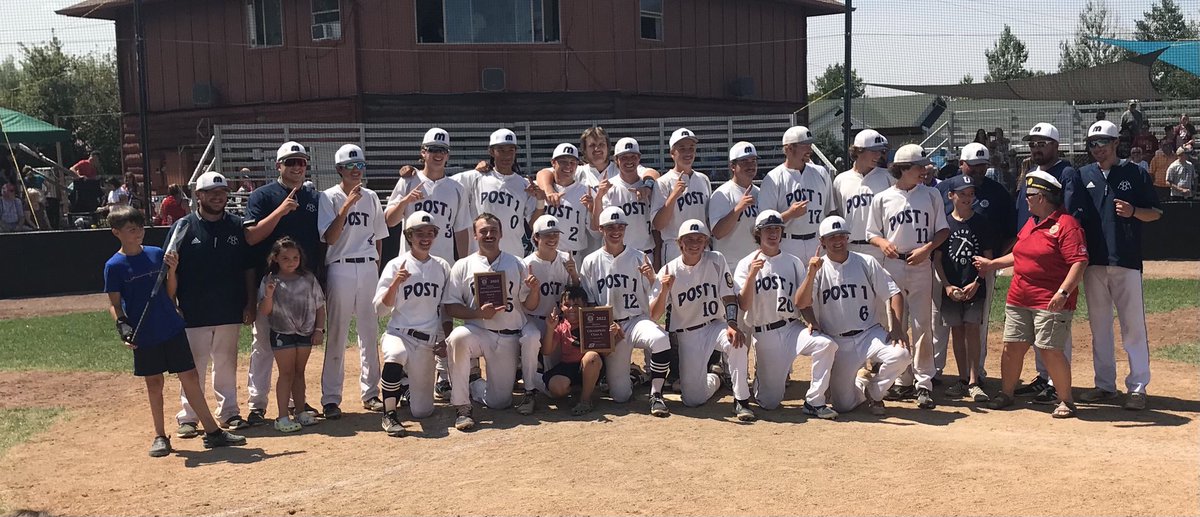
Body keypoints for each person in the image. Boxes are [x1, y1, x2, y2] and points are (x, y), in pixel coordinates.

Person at [103, 205, 246, 456]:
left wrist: (172, 269)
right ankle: (160, 435)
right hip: (145, 333)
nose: (138, 234)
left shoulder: (157, 254)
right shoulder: (114, 266)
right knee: (154, 383)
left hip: (171, 326)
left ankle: (213, 432)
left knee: (190, 378)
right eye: (131, 230)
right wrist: (122, 325)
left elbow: (170, 292)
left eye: (140, 228)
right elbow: (114, 304)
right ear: (116, 232)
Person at [976, 171, 1086, 418]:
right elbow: (1020, 254)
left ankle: (1065, 400)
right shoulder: (1032, 222)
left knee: (1049, 349)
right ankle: (1006, 393)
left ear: (1043, 197)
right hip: (1019, 297)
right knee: (1011, 346)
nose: (1025, 199)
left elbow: (1079, 262)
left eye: (1030, 195)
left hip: (1050, 300)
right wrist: (992, 264)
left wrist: (1063, 292)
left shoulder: (1067, 225)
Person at [1076, 120, 1163, 411]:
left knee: (1133, 326)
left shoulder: (1135, 173)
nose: (1097, 148)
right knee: (1099, 327)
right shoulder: (1083, 174)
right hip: (1093, 262)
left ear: (1116, 143)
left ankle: (1138, 387)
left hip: (1125, 259)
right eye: (1092, 143)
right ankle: (1104, 385)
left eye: (1102, 142)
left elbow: (1156, 213)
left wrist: (1134, 211)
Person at [164, 171, 256, 436]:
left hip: (228, 307)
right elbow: (169, 268)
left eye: (223, 192)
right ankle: (189, 416)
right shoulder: (183, 226)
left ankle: (229, 412)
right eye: (212, 192)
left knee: (226, 363)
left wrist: (249, 302)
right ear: (199, 195)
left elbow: (248, 268)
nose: (218, 197)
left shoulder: (237, 226)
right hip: (193, 309)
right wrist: (173, 303)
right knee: (193, 365)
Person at [385, 128, 473, 401]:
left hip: (444, 262)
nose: (437, 155)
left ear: (448, 155)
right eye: (432, 149)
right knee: (410, 315)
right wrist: (406, 200)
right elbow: (389, 220)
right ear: (423, 152)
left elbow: (461, 229)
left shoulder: (456, 188)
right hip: (410, 264)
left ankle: (444, 375)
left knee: (445, 317)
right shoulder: (409, 181)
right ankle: (405, 375)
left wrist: (463, 263)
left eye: (442, 150)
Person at [795, 216, 911, 416]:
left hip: (869, 333)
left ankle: (874, 393)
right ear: (822, 241)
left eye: (842, 235)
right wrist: (810, 275)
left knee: (901, 354)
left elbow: (895, 294)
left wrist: (897, 328)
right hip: (838, 340)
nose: (838, 240)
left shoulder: (866, 262)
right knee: (843, 406)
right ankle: (861, 383)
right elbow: (801, 303)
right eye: (832, 237)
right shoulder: (818, 268)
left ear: (848, 237)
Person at [243, 141, 323, 424]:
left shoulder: (313, 198)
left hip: (301, 286)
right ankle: (257, 404)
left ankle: (295, 401)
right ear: (279, 166)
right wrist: (281, 210)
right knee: (264, 345)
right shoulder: (263, 196)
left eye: (301, 162)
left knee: (298, 345)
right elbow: (251, 237)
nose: (297, 167)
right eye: (291, 162)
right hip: (271, 283)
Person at [866, 144, 949, 410]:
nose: (924, 170)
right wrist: (881, 244)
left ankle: (923, 382)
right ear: (903, 168)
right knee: (895, 322)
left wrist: (927, 249)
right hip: (893, 264)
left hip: (920, 263)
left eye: (924, 166)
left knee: (923, 322)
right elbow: (871, 232)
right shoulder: (883, 198)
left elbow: (942, 230)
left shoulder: (932, 194)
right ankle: (902, 379)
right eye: (918, 166)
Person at [649, 219, 755, 421]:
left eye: (700, 239)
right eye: (689, 239)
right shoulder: (669, 270)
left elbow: (729, 296)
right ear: (680, 243)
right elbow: (654, 315)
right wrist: (664, 291)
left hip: (715, 326)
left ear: (706, 241)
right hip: (688, 334)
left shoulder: (716, 259)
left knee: (737, 343)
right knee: (693, 400)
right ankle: (715, 379)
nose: (695, 243)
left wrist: (732, 324)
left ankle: (741, 400)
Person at [444, 214, 543, 430]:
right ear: (474, 234)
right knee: (457, 338)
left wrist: (535, 290)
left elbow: (531, 305)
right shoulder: (463, 265)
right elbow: (450, 306)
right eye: (483, 231)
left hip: (508, 334)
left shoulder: (516, 263)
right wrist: (478, 313)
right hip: (479, 332)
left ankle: (474, 384)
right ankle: (462, 406)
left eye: (493, 231)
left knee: (500, 403)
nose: (489, 235)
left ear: (501, 234)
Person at [734, 210, 837, 417]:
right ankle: (762, 379)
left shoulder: (793, 261)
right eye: (767, 229)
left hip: (792, 328)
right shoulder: (746, 264)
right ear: (758, 233)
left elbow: (803, 301)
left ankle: (814, 401)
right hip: (765, 333)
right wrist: (752, 276)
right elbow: (743, 305)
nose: (773, 233)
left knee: (826, 345)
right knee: (769, 402)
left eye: (777, 229)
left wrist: (811, 321)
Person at [1011, 123, 1086, 403]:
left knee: (1055, 321)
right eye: (1032, 144)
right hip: (1032, 254)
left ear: (1056, 145)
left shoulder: (1066, 172)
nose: (1036, 148)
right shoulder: (1031, 173)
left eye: (1042, 143)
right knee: (1036, 322)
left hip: (1054, 255)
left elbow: (1067, 213)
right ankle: (1043, 378)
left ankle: (1056, 382)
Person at [316, 144, 389, 416]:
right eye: (350, 166)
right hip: (340, 266)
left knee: (370, 333)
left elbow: (379, 236)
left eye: (360, 166)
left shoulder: (371, 197)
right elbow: (331, 238)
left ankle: (371, 393)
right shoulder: (329, 197)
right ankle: (331, 398)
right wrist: (346, 206)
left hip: (367, 266)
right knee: (336, 332)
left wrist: (376, 267)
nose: (356, 171)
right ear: (339, 170)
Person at [932, 142, 1015, 382]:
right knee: (941, 322)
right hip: (945, 269)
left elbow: (1011, 231)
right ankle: (936, 371)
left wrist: (994, 263)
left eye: (983, 166)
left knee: (976, 324)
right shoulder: (943, 190)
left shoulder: (997, 192)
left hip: (981, 269)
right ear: (961, 164)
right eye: (973, 167)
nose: (979, 171)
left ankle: (974, 373)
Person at [580, 206, 673, 415]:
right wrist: (605, 329)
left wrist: (651, 278)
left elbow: (657, 294)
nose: (616, 230)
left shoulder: (640, 257)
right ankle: (635, 375)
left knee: (660, 339)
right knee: (620, 397)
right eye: (611, 227)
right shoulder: (590, 261)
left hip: (636, 320)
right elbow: (589, 304)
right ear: (601, 229)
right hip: (611, 327)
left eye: (620, 226)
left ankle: (656, 394)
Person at [374, 211, 453, 437]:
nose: (425, 237)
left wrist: (445, 340)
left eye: (431, 233)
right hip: (399, 333)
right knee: (396, 354)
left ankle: (405, 385)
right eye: (419, 233)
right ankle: (389, 414)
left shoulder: (442, 266)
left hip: (426, 341)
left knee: (422, 411)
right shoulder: (396, 265)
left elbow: (445, 310)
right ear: (409, 236)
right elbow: (380, 310)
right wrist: (395, 284)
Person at [932, 175, 995, 402]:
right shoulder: (945, 224)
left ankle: (973, 380)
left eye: (971, 194)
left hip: (973, 285)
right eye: (962, 194)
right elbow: (937, 259)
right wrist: (947, 285)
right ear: (951, 196)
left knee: (972, 331)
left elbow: (987, 259)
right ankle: (961, 379)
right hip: (952, 286)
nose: (968, 198)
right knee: (957, 332)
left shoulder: (981, 222)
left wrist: (977, 282)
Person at [258, 237, 326, 432]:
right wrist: (269, 294)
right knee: (286, 373)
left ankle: (301, 410)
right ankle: (281, 416)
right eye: (286, 258)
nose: (291, 262)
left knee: (299, 373)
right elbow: (264, 310)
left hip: (305, 332)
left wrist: (319, 330)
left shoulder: (308, 278)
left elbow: (320, 306)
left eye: (295, 257)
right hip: (282, 332)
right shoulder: (270, 280)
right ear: (276, 258)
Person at [457, 128, 545, 257]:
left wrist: (540, 201)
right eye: (501, 150)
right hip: (479, 256)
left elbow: (533, 225)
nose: (507, 155)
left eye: (511, 150)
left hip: (513, 254)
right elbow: (441, 181)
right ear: (491, 151)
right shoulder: (476, 177)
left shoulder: (525, 184)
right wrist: (416, 171)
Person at [758, 126, 834, 262]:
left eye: (810, 145)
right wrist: (790, 214)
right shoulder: (773, 178)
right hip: (788, 243)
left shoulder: (821, 173)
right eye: (804, 146)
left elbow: (829, 212)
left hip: (817, 242)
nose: (809, 150)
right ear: (789, 148)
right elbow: (764, 223)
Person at [540, 285, 617, 416]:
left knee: (591, 357)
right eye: (567, 305)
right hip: (567, 366)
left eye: (576, 305)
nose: (571, 309)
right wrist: (549, 328)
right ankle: (577, 391)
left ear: (585, 305)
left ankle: (585, 400)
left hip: (589, 365)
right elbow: (546, 351)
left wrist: (611, 336)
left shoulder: (594, 322)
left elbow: (605, 353)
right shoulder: (560, 326)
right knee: (556, 388)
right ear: (561, 307)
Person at [833, 129, 895, 263]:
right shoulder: (841, 180)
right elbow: (840, 213)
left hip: (880, 248)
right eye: (873, 151)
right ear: (858, 151)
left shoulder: (888, 177)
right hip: (850, 247)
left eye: (881, 151)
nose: (878, 155)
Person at [590, 138, 657, 259]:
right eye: (624, 157)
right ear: (616, 160)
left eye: (633, 156)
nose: (629, 161)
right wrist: (598, 198)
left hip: (645, 253)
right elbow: (596, 226)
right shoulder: (609, 187)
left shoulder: (648, 187)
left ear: (639, 158)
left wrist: (648, 186)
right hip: (617, 255)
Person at [652, 128, 711, 264]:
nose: (688, 152)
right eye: (682, 148)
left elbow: (708, 218)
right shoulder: (663, 182)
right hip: (675, 247)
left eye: (691, 148)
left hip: (701, 246)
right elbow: (658, 224)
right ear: (673, 153)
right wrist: (673, 196)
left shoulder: (703, 179)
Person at [710, 142, 761, 271]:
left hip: (756, 262)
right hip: (731, 265)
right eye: (744, 161)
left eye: (753, 161)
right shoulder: (722, 194)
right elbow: (718, 232)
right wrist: (738, 208)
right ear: (733, 166)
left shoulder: (760, 193)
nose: (751, 165)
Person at [541, 143, 595, 261]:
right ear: (553, 163)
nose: (568, 166)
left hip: (573, 256)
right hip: (543, 255)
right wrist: (547, 191)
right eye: (563, 161)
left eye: (572, 162)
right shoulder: (541, 188)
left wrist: (592, 210)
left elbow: (595, 232)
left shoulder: (586, 191)